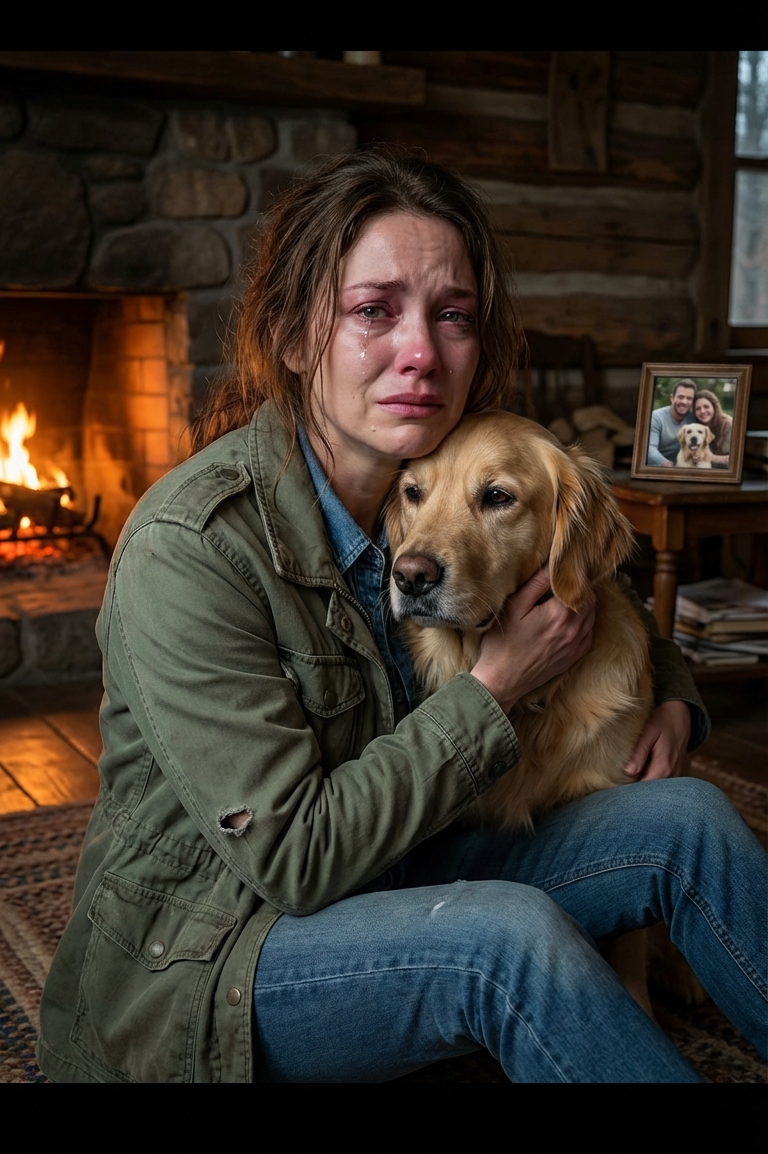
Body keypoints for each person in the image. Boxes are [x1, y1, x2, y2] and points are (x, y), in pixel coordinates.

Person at [37, 148, 767, 1084]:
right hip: (216, 958)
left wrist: (671, 694)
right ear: (298, 336)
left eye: (452, 314)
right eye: (374, 311)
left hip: (408, 869)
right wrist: (497, 685)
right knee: (508, 938)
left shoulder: (430, 482)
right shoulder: (192, 547)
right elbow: (295, 859)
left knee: (692, 818)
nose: (420, 350)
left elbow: (595, 592)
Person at [646, 378, 697, 466]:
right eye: (680, 397)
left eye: (689, 398)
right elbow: (649, 448)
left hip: (684, 466)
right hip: (658, 467)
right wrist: (668, 466)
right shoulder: (656, 417)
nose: (684, 402)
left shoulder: (694, 418)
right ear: (672, 398)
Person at [694, 389, 733, 467]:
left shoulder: (729, 425)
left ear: (714, 407)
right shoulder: (698, 426)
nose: (702, 411)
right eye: (698, 409)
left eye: (706, 407)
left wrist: (712, 458)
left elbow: (739, 458)